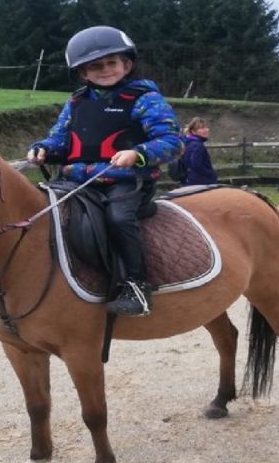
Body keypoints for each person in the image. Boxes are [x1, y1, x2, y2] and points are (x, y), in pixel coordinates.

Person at [27, 26, 181, 317]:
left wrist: (139, 154)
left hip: (126, 182)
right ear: (83, 73)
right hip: (74, 181)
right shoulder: (75, 103)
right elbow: (60, 139)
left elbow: (172, 142)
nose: (105, 70)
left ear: (127, 64)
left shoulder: (145, 99)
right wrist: (44, 149)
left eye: (112, 62)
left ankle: (135, 285)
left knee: (118, 218)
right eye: (96, 66)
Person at [181, 116, 218, 185]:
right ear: (193, 131)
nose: (206, 130)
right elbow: (196, 164)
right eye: (201, 128)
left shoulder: (188, 143)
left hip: (189, 180)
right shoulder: (197, 145)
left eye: (206, 127)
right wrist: (211, 174)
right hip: (201, 182)